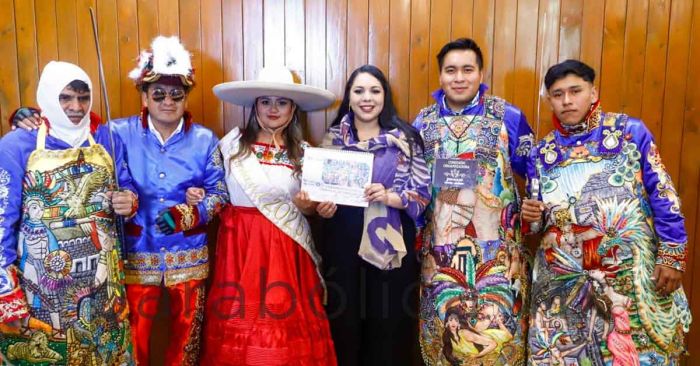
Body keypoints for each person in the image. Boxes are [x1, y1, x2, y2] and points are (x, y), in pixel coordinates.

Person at [12, 36, 229, 365]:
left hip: (188, 254)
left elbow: (220, 194)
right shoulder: (115, 132)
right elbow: (71, 119)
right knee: (131, 335)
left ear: (186, 97)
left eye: (176, 94)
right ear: (144, 95)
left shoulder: (205, 140)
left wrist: (191, 212)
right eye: (158, 94)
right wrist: (28, 114)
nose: (167, 101)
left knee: (187, 336)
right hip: (135, 257)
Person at [521, 59, 691, 365]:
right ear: (549, 99)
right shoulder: (540, 153)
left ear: (593, 91)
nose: (567, 100)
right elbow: (539, 222)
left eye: (575, 91)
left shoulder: (629, 133)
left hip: (626, 267)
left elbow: (663, 193)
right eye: (558, 94)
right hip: (565, 275)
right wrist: (531, 219)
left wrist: (672, 254)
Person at [0, 61, 136, 365]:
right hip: (40, 284)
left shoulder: (106, 140)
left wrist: (129, 201)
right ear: (48, 97)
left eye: (83, 97)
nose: (76, 106)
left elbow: (127, 190)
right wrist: (6, 295)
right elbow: (1, 222)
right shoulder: (16, 145)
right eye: (66, 97)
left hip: (102, 281)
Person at [203, 66, 337, 365]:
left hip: (287, 252)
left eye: (282, 102)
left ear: (293, 108)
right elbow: (213, 192)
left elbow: (313, 205)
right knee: (242, 323)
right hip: (240, 249)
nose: (273, 109)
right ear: (255, 106)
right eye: (266, 101)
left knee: (283, 328)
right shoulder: (231, 147)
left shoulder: (304, 153)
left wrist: (313, 208)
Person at [414, 38, 534, 365]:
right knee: (447, 339)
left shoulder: (508, 116)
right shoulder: (422, 123)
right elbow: (411, 183)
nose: (459, 77)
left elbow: (537, 171)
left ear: (481, 73)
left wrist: (535, 212)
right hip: (439, 255)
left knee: (498, 337)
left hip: (498, 256)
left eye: (468, 69)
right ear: (440, 76)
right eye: (451, 70)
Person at [318, 64, 431, 366]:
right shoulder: (332, 140)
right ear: (349, 97)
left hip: (391, 240)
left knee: (389, 323)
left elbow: (422, 195)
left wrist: (390, 196)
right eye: (359, 91)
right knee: (345, 321)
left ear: (385, 96)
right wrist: (323, 207)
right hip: (342, 242)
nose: (367, 98)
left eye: (374, 90)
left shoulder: (405, 140)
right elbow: (318, 192)